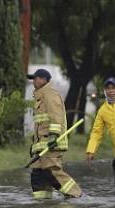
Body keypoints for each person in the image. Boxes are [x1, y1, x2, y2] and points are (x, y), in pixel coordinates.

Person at [27, 68, 82, 199]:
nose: (33, 81)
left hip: (51, 143)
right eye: (33, 79)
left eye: (36, 78)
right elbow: (40, 126)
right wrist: (34, 145)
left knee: (51, 172)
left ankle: (76, 195)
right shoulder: (40, 96)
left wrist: (53, 135)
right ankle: (43, 204)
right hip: (42, 145)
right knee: (38, 175)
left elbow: (55, 116)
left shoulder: (50, 94)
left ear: (44, 80)